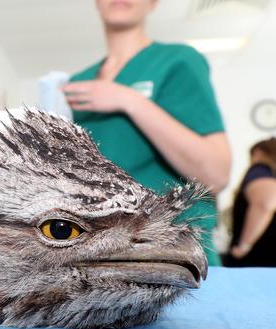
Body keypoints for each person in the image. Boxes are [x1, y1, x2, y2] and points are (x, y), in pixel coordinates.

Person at [63, 0, 231, 265]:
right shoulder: (77, 85)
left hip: (176, 255)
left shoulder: (178, 62)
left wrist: (130, 101)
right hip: (99, 258)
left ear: (153, 3)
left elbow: (216, 174)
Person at [225, 139, 276, 267]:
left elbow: (265, 203)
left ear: (258, 153)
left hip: (255, 261)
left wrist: (243, 247)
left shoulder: (260, 169)